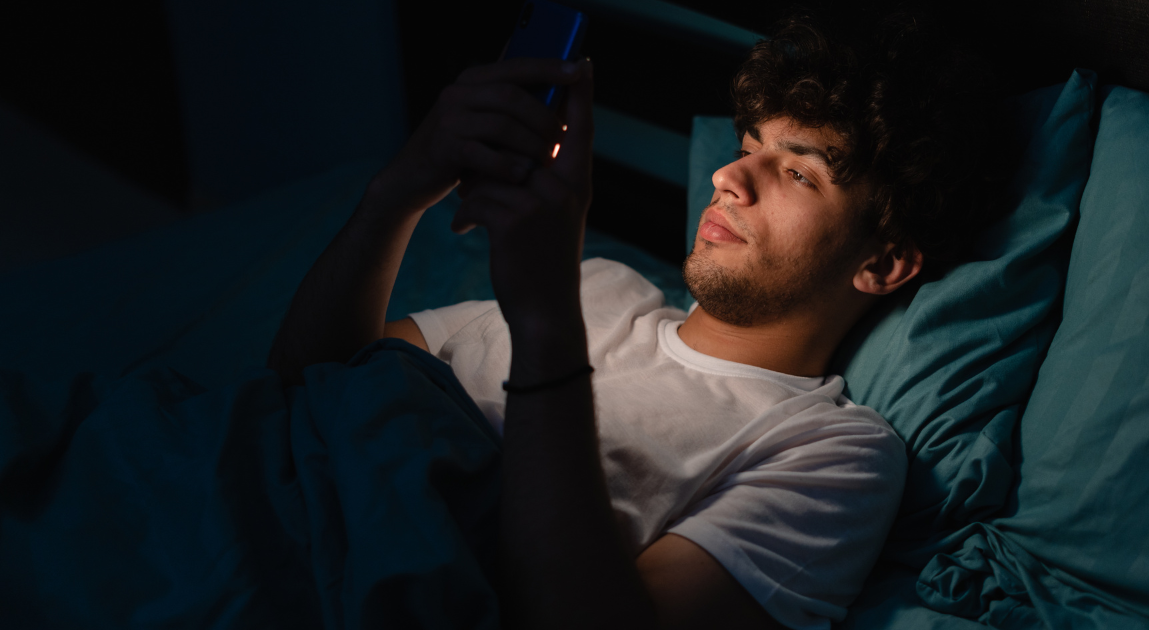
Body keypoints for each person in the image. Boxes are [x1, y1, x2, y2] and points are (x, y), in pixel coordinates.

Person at [268, 8, 1003, 630]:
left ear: (882, 264)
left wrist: (545, 315)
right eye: (750, 149)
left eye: (797, 172)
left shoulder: (832, 451)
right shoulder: (602, 287)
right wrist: (397, 193)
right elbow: (309, 380)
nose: (729, 177)